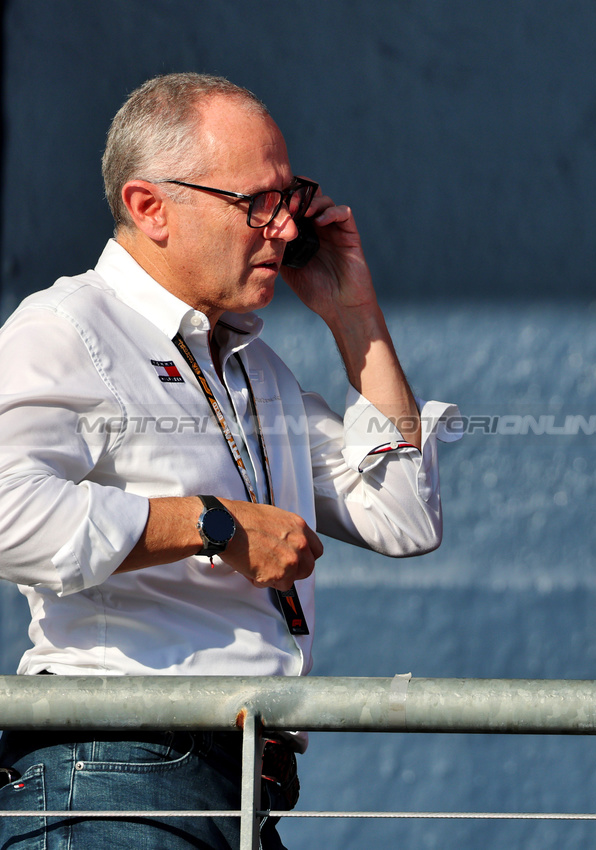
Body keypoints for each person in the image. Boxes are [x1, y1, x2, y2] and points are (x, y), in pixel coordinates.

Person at [0, 73, 458, 848]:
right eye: (257, 204)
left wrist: (355, 316)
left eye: (291, 200)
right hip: (114, 773)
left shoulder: (252, 366)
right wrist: (213, 524)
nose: (283, 229)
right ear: (151, 207)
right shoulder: (65, 327)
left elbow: (402, 517)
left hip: (237, 783)